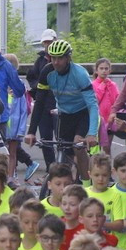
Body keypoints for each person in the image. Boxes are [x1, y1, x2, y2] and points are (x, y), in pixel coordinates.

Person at [24, 40, 99, 178]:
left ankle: (87, 185)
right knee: (64, 155)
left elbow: (92, 105)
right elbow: (40, 102)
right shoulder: (47, 72)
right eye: (53, 58)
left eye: (60, 58)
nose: (56, 62)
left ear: (68, 58)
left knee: (78, 146)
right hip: (64, 114)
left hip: (83, 114)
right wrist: (31, 132)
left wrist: (92, 133)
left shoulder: (80, 74)